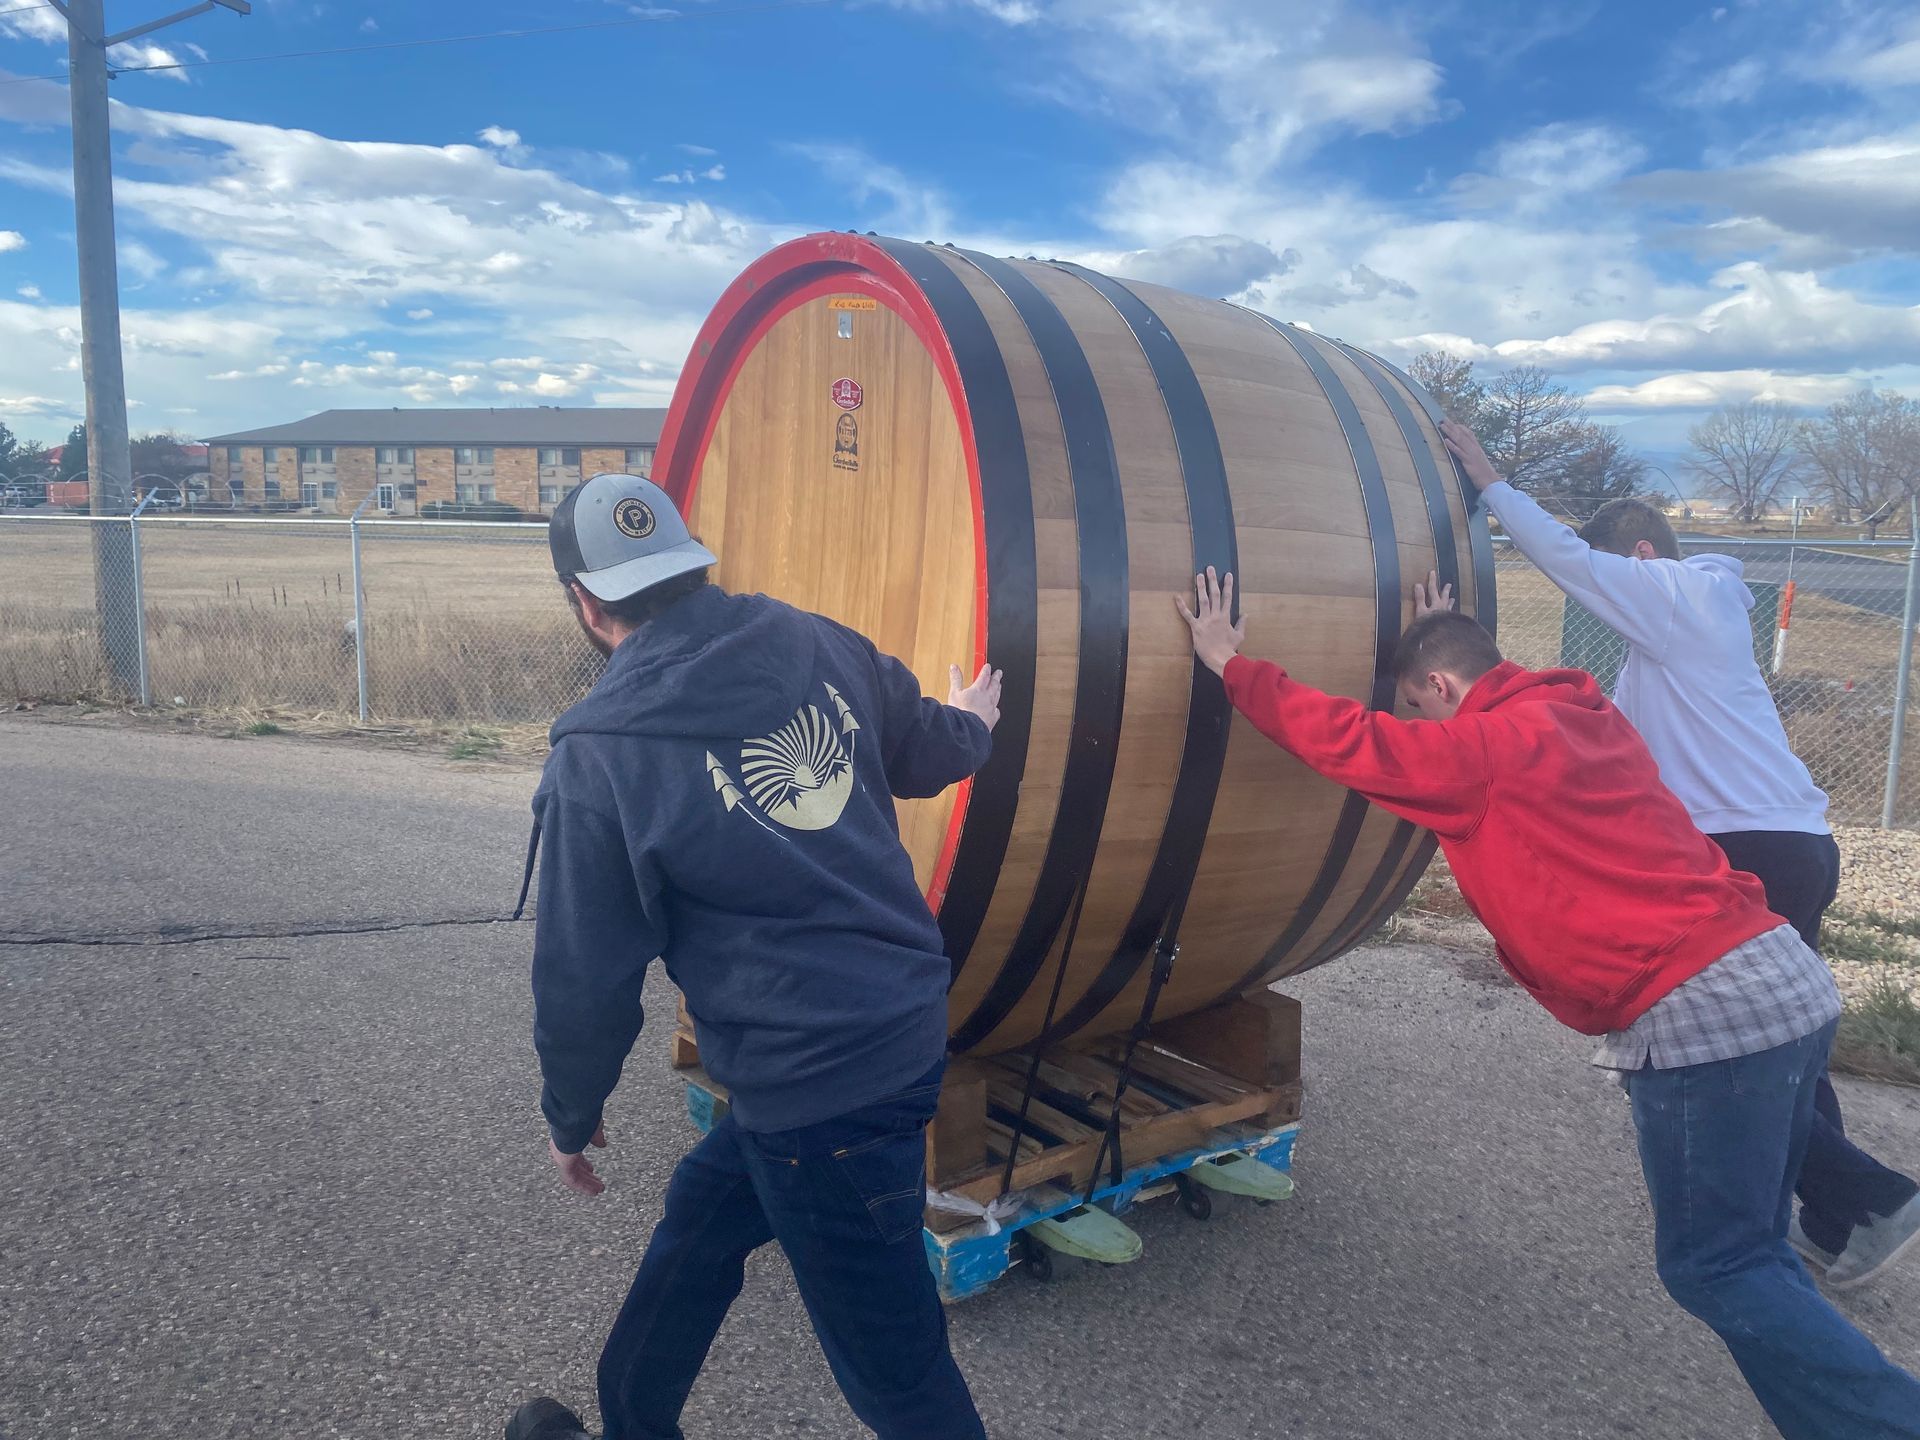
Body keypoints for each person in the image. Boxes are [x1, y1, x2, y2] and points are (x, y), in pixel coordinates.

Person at [1176, 569, 1920, 1440]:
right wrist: (1440, 637)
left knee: (1716, 1265)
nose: (1424, 732)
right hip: (1782, 976)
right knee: (1750, 1246)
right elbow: (1470, 697)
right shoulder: (1581, 716)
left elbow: (1349, 741)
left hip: (1703, 1012)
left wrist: (1231, 663)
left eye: (1423, 709)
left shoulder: (1482, 749)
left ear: (1443, 690)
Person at [507, 473, 999, 1440]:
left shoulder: (600, 753)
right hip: (873, 1036)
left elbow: (585, 976)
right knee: (698, 1225)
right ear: (692, 564)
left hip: (820, 1086)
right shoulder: (816, 640)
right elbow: (929, 749)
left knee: (898, 1377)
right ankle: (633, 1423)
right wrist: (975, 721)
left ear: (586, 601)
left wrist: (571, 1113)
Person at [1438, 418, 1920, 1290]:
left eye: (1624, 573)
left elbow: (1575, 565)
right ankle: (1830, 1213)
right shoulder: (1666, 652)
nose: (1615, 593)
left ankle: (1869, 1197)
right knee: (1779, 1043)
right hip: (1781, 840)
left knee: (1719, 1046)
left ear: (1646, 554)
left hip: (1753, 845)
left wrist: (1491, 483)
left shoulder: (1686, 595)